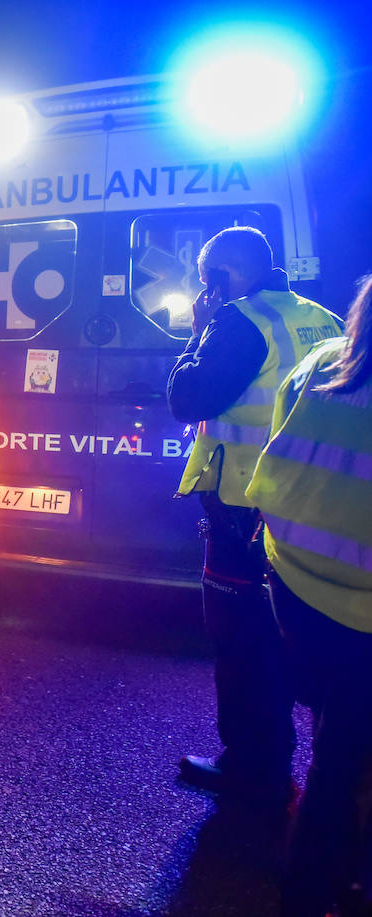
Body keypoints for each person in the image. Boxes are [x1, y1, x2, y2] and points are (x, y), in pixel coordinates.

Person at [167, 226, 343, 800]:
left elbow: (188, 399)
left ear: (220, 277)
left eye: (206, 281)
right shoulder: (321, 317)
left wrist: (197, 334)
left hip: (244, 505)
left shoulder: (238, 322)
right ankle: (310, 762)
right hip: (310, 501)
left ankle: (252, 765)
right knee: (293, 632)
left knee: (240, 637)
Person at [246, 275, 372, 917]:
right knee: (345, 757)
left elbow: (280, 445)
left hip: (294, 582)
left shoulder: (321, 364)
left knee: (336, 733)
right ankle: (316, 889)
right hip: (361, 606)